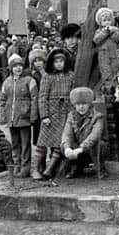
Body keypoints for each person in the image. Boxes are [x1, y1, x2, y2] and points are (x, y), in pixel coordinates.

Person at [44, 87, 107, 179]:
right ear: (74, 105)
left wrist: (81, 148)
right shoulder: (71, 116)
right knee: (63, 143)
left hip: (90, 149)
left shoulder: (98, 117)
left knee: (99, 145)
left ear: (89, 104)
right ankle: (70, 168)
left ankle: (100, 169)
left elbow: (94, 136)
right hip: (77, 148)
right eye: (78, 104)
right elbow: (67, 133)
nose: (81, 107)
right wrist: (67, 148)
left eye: (84, 104)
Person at [34, 49, 74, 179]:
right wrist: (44, 115)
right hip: (51, 113)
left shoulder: (70, 76)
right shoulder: (47, 76)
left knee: (59, 143)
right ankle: (36, 170)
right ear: (52, 63)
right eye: (56, 62)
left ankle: (50, 170)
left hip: (65, 113)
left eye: (61, 61)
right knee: (42, 143)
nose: (59, 64)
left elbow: (73, 95)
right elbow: (42, 97)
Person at [0, 54, 38, 178]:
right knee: (15, 144)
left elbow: (34, 99)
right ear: (11, 68)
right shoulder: (6, 82)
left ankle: (25, 169)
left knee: (26, 144)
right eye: (15, 66)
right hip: (11, 119)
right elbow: (2, 100)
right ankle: (17, 166)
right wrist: (3, 117)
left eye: (20, 66)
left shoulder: (29, 81)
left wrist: (33, 115)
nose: (18, 68)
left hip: (24, 118)